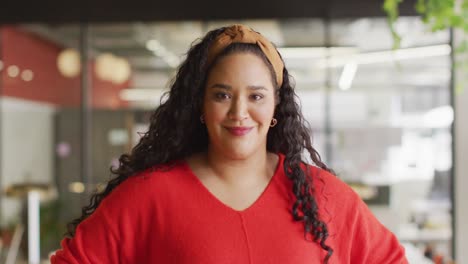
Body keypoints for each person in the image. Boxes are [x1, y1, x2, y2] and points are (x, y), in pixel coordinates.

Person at [51, 24, 408, 263]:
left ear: (275, 108)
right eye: (222, 95)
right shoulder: (149, 196)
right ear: (201, 107)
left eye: (256, 96)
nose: (240, 112)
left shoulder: (323, 197)